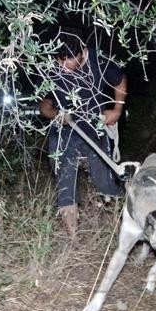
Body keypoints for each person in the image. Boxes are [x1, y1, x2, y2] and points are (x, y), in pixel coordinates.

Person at [39, 28, 128, 237]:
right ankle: (72, 238)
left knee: (104, 178)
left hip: (93, 128)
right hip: (63, 130)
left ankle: (122, 219)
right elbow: (43, 101)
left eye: (70, 64)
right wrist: (53, 114)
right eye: (61, 64)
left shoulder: (98, 61)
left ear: (82, 53)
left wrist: (117, 108)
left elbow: (120, 80)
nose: (65, 69)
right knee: (64, 175)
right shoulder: (54, 66)